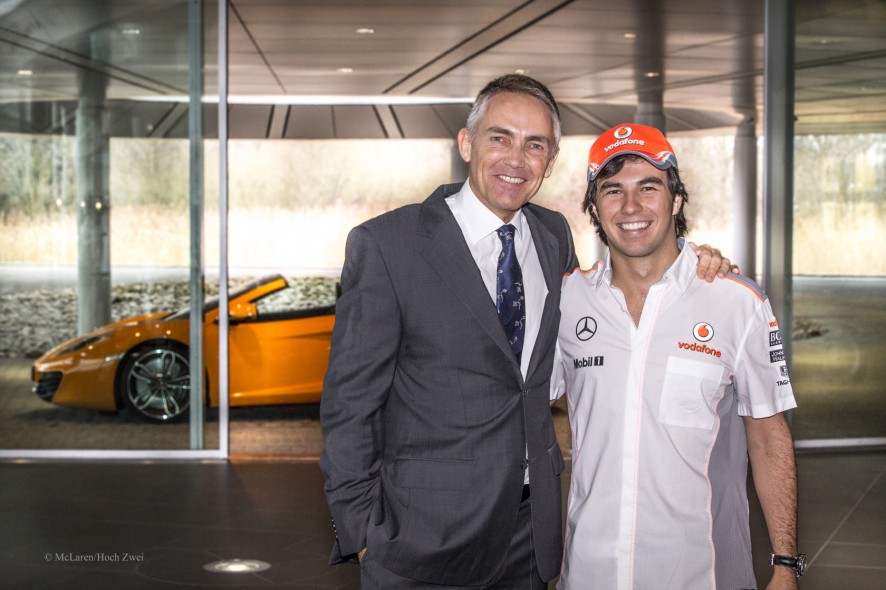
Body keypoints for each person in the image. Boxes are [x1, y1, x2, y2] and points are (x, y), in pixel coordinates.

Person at [320, 75, 731, 589]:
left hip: (531, 539)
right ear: (467, 143)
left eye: (534, 144)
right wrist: (361, 529)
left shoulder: (552, 234)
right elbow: (350, 404)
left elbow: (602, 311)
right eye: (500, 137)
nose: (516, 159)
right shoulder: (388, 245)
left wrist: (693, 263)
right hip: (420, 541)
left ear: (550, 160)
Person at [552, 123, 803, 589]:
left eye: (649, 187)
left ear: (676, 199)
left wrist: (785, 564)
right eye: (612, 191)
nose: (631, 207)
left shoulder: (736, 302)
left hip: (700, 574)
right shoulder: (567, 300)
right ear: (594, 207)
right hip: (589, 571)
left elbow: (769, 437)